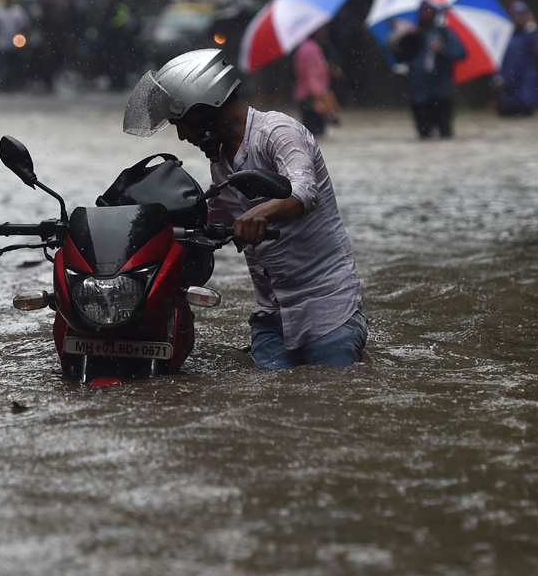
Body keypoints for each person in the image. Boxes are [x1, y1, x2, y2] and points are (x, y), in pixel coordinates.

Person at [123, 48, 367, 369]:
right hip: (271, 319)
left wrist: (259, 214)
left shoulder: (278, 132)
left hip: (329, 311)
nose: (182, 136)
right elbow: (209, 221)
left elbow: (306, 192)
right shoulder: (221, 163)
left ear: (203, 112)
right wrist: (141, 231)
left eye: (181, 124)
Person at [391, 1, 467, 139]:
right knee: (423, 135)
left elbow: (461, 53)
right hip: (419, 93)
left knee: (445, 134)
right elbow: (401, 59)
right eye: (422, 10)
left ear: (434, 12)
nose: (425, 13)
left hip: (441, 91)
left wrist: (442, 49)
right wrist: (394, 46)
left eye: (428, 10)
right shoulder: (412, 33)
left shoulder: (445, 33)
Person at [495, 1, 538, 117]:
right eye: (516, 15)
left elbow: (537, 48)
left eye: (521, 15)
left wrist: (532, 28)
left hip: (524, 77)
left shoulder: (529, 33)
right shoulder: (505, 32)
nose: (518, 18)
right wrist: (498, 74)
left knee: (525, 108)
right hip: (508, 78)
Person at [293, 25, 340, 137]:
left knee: (309, 137)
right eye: (322, 29)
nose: (324, 31)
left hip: (306, 97)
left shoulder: (306, 47)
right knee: (316, 136)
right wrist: (321, 98)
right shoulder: (310, 50)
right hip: (311, 99)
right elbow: (312, 77)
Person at [0, 0, 29, 89]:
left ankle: (15, 82)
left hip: (16, 43)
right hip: (2, 42)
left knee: (15, 64)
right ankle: (3, 82)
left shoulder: (18, 11)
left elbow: (25, 24)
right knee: (2, 64)